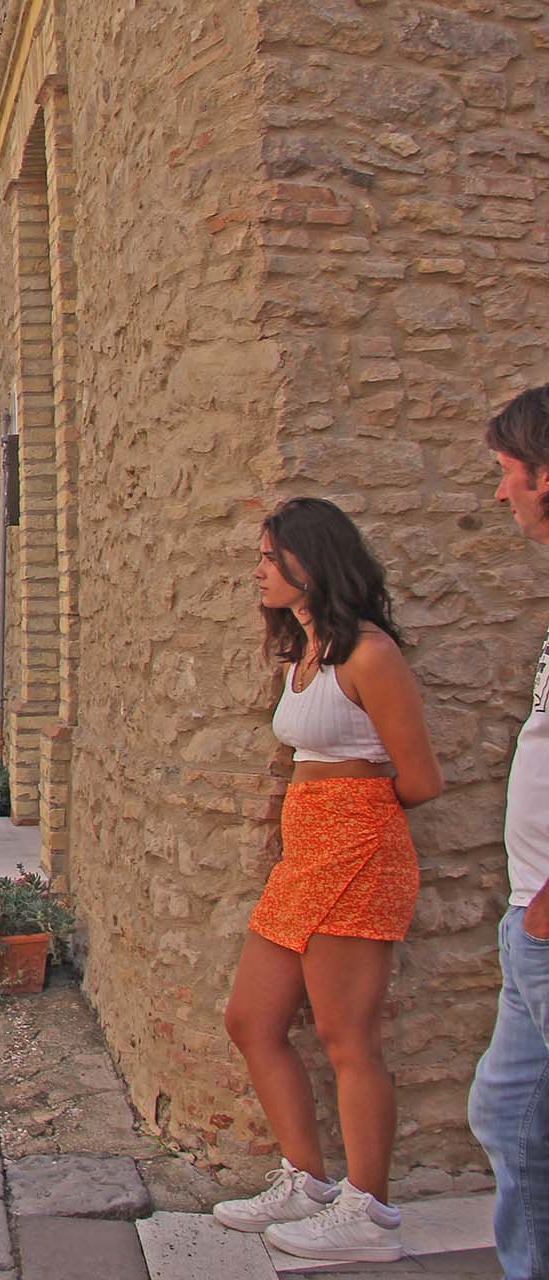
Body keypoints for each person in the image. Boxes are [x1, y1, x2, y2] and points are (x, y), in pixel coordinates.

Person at [212, 497, 442, 1263]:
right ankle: (305, 1182)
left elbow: (420, 779)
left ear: (313, 562)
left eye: (273, 558)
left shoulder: (370, 655)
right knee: (252, 1018)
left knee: (349, 1038)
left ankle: (368, 1214)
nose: (259, 570)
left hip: (358, 850)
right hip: (305, 854)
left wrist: (355, 818)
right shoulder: (305, 651)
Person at [470, 385, 549, 1280]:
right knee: (506, 1115)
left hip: (545, 921)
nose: (501, 495)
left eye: (510, 474)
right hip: (530, 919)